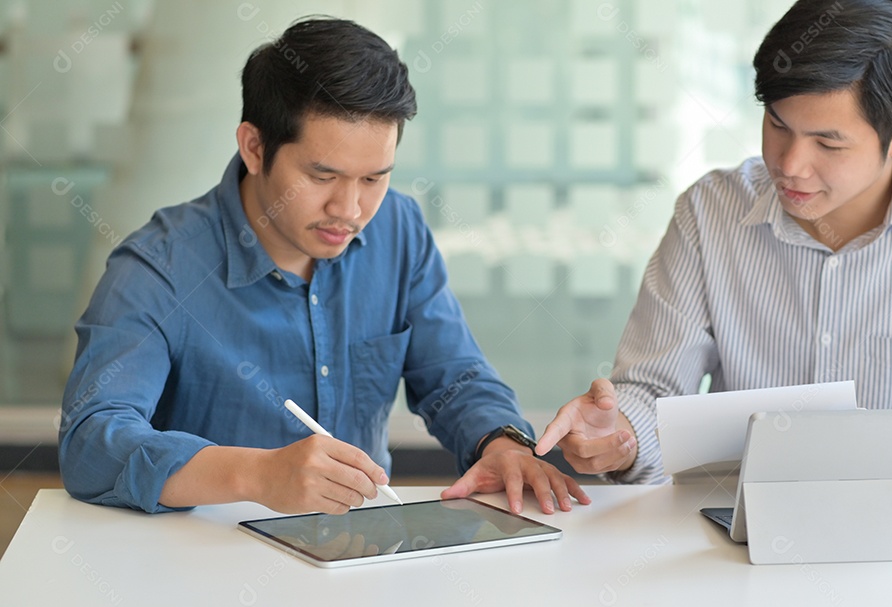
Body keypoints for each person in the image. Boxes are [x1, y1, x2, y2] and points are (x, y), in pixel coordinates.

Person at [537, 0, 892, 489]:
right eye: (778, 125)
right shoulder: (710, 214)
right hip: (734, 543)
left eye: (828, 142)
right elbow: (651, 393)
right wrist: (620, 435)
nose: (791, 166)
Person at [59, 18, 588, 516]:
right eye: (322, 176)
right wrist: (256, 474)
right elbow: (91, 440)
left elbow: (454, 376)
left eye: (374, 178)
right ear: (254, 147)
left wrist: (501, 443)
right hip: (205, 559)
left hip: (359, 551)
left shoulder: (397, 228)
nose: (350, 211)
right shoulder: (159, 266)